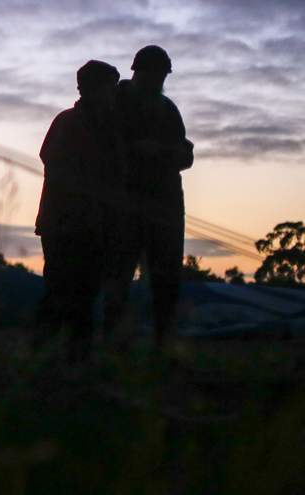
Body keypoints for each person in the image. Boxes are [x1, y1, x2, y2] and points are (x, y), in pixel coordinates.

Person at [102, 45, 194, 348]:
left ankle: (162, 344)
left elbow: (185, 154)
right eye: (154, 73)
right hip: (124, 204)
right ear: (138, 72)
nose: (158, 80)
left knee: (166, 278)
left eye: (162, 75)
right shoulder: (115, 104)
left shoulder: (167, 109)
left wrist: (167, 152)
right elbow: (110, 148)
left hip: (165, 206)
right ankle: (114, 342)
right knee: (118, 275)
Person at [32, 59, 123, 362]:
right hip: (65, 224)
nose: (115, 93)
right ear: (94, 88)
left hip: (85, 224)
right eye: (111, 85)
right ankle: (47, 358)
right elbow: (54, 162)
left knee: (83, 294)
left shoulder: (100, 124)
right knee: (62, 290)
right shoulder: (70, 122)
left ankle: (70, 360)